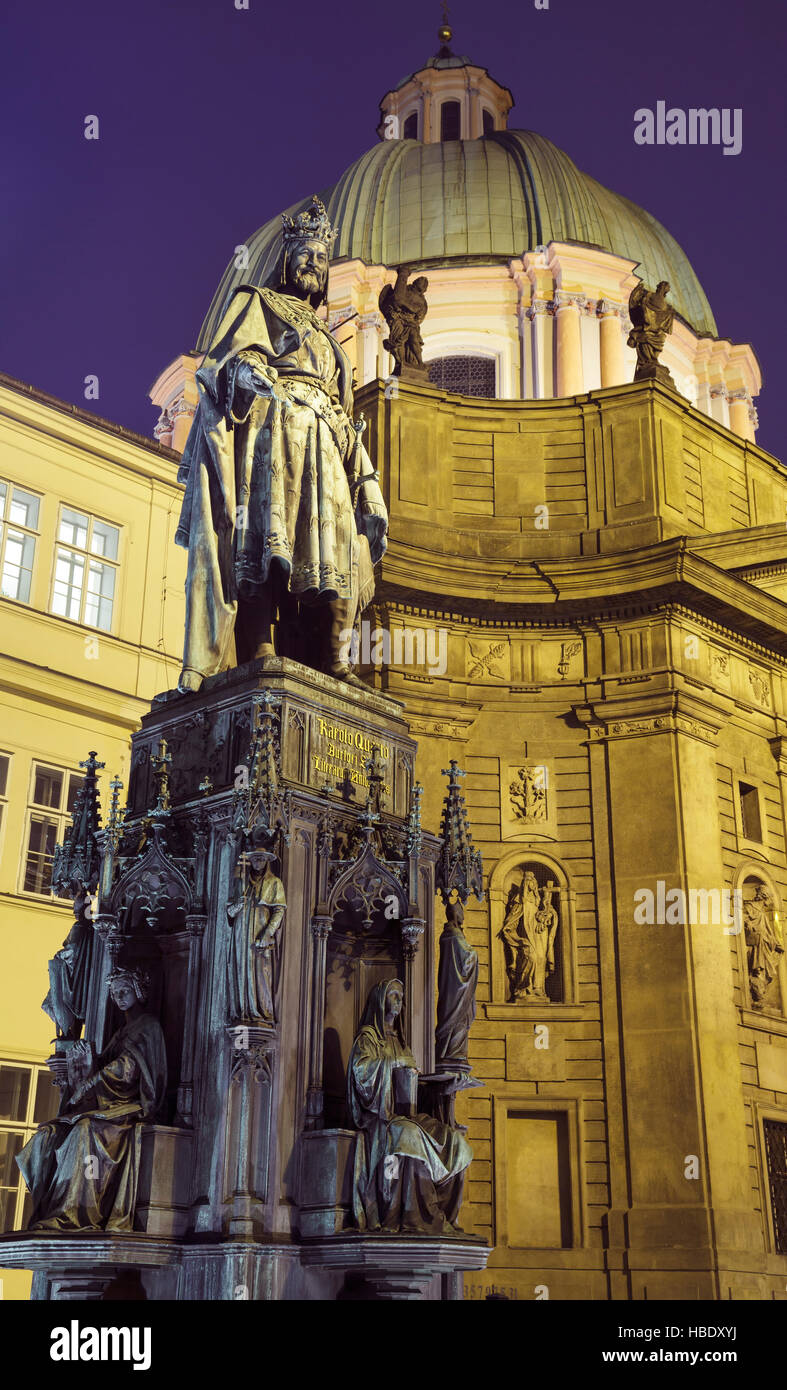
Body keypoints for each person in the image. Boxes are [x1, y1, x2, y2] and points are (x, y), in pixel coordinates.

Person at [175, 196, 388, 693]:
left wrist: (364, 472)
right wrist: (248, 373)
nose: (313, 264)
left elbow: (344, 406)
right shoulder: (259, 302)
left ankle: (332, 655)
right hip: (273, 435)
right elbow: (226, 362)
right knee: (266, 538)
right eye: (305, 255)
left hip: (327, 446)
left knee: (337, 547)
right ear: (287, 260)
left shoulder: (330, 338)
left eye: (320, 257)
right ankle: (259, 646)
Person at [16, 968, 167, 1232]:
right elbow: (107, 1065)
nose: (119, 997)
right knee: (49, 1133)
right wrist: (83, 1064)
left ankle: (81, 1211)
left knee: (85, 1132)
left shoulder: (148, 1026)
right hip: (109, 1104)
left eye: (125, 991)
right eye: (115, 992)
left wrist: (91, 1080)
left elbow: (127, 1070)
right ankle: (50, 1209)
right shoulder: (122, 1031)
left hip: (130, 1107)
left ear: (139, 992)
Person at [347, 978, 472, 1234]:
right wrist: (392, 1065)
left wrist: (444, 1088)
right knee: (408, 1136)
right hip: (381, 1118)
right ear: (380, 1001)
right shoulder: (367, 1039)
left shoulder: (401, 1042)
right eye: (393, 995)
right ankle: (410, 1216)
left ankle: (443, 1217)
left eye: (401, 997)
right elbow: (361, 1073)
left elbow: (413, 1087)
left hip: (408, 1114)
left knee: (455, 1142)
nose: (399, 1002)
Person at [226, 849, 286, 1023]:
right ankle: (240, 1010)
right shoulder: (240, 882)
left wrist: (268, 933)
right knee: (240, 967)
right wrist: (238, 905)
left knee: (261, 972)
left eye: (261, 859)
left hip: (261, 931)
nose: (258, 862)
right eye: (255, 859)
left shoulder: (274, 882)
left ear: (267, 861)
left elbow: (279, 910)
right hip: (241, 932)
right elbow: (229, 912)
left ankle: (261, 1011)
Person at [435, 900, 479, 1070]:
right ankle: (452, 1055)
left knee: (459, 1021)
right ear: (456, 914)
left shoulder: (452, 934)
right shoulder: (452, 935)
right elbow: (468, 956)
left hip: (457, 988)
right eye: (461, 912)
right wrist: (474, 954)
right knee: (456, 1019)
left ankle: (455, 1054)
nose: (463, 916)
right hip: (455, 990)